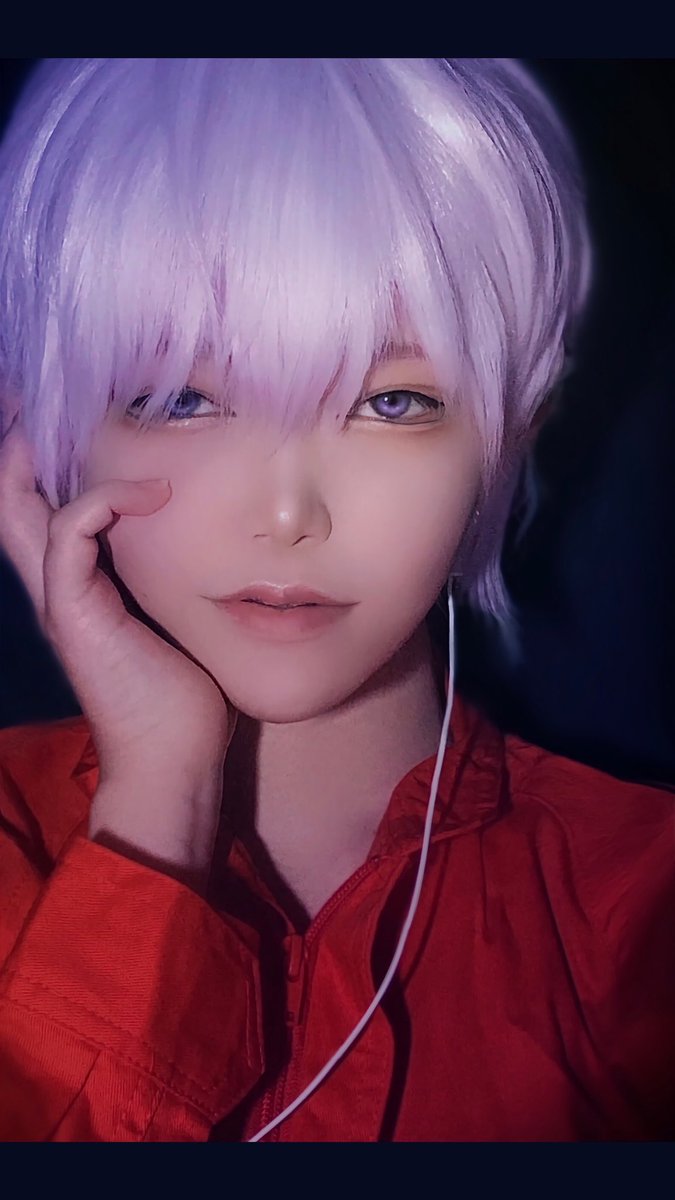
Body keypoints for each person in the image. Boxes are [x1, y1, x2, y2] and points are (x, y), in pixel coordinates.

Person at [0, 58, 672, 1143]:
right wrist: (156, 804)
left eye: (392, 401)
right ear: (43, 433)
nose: (286, 513)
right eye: (181, 397)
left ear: (512, 432)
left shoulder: (640, 909)